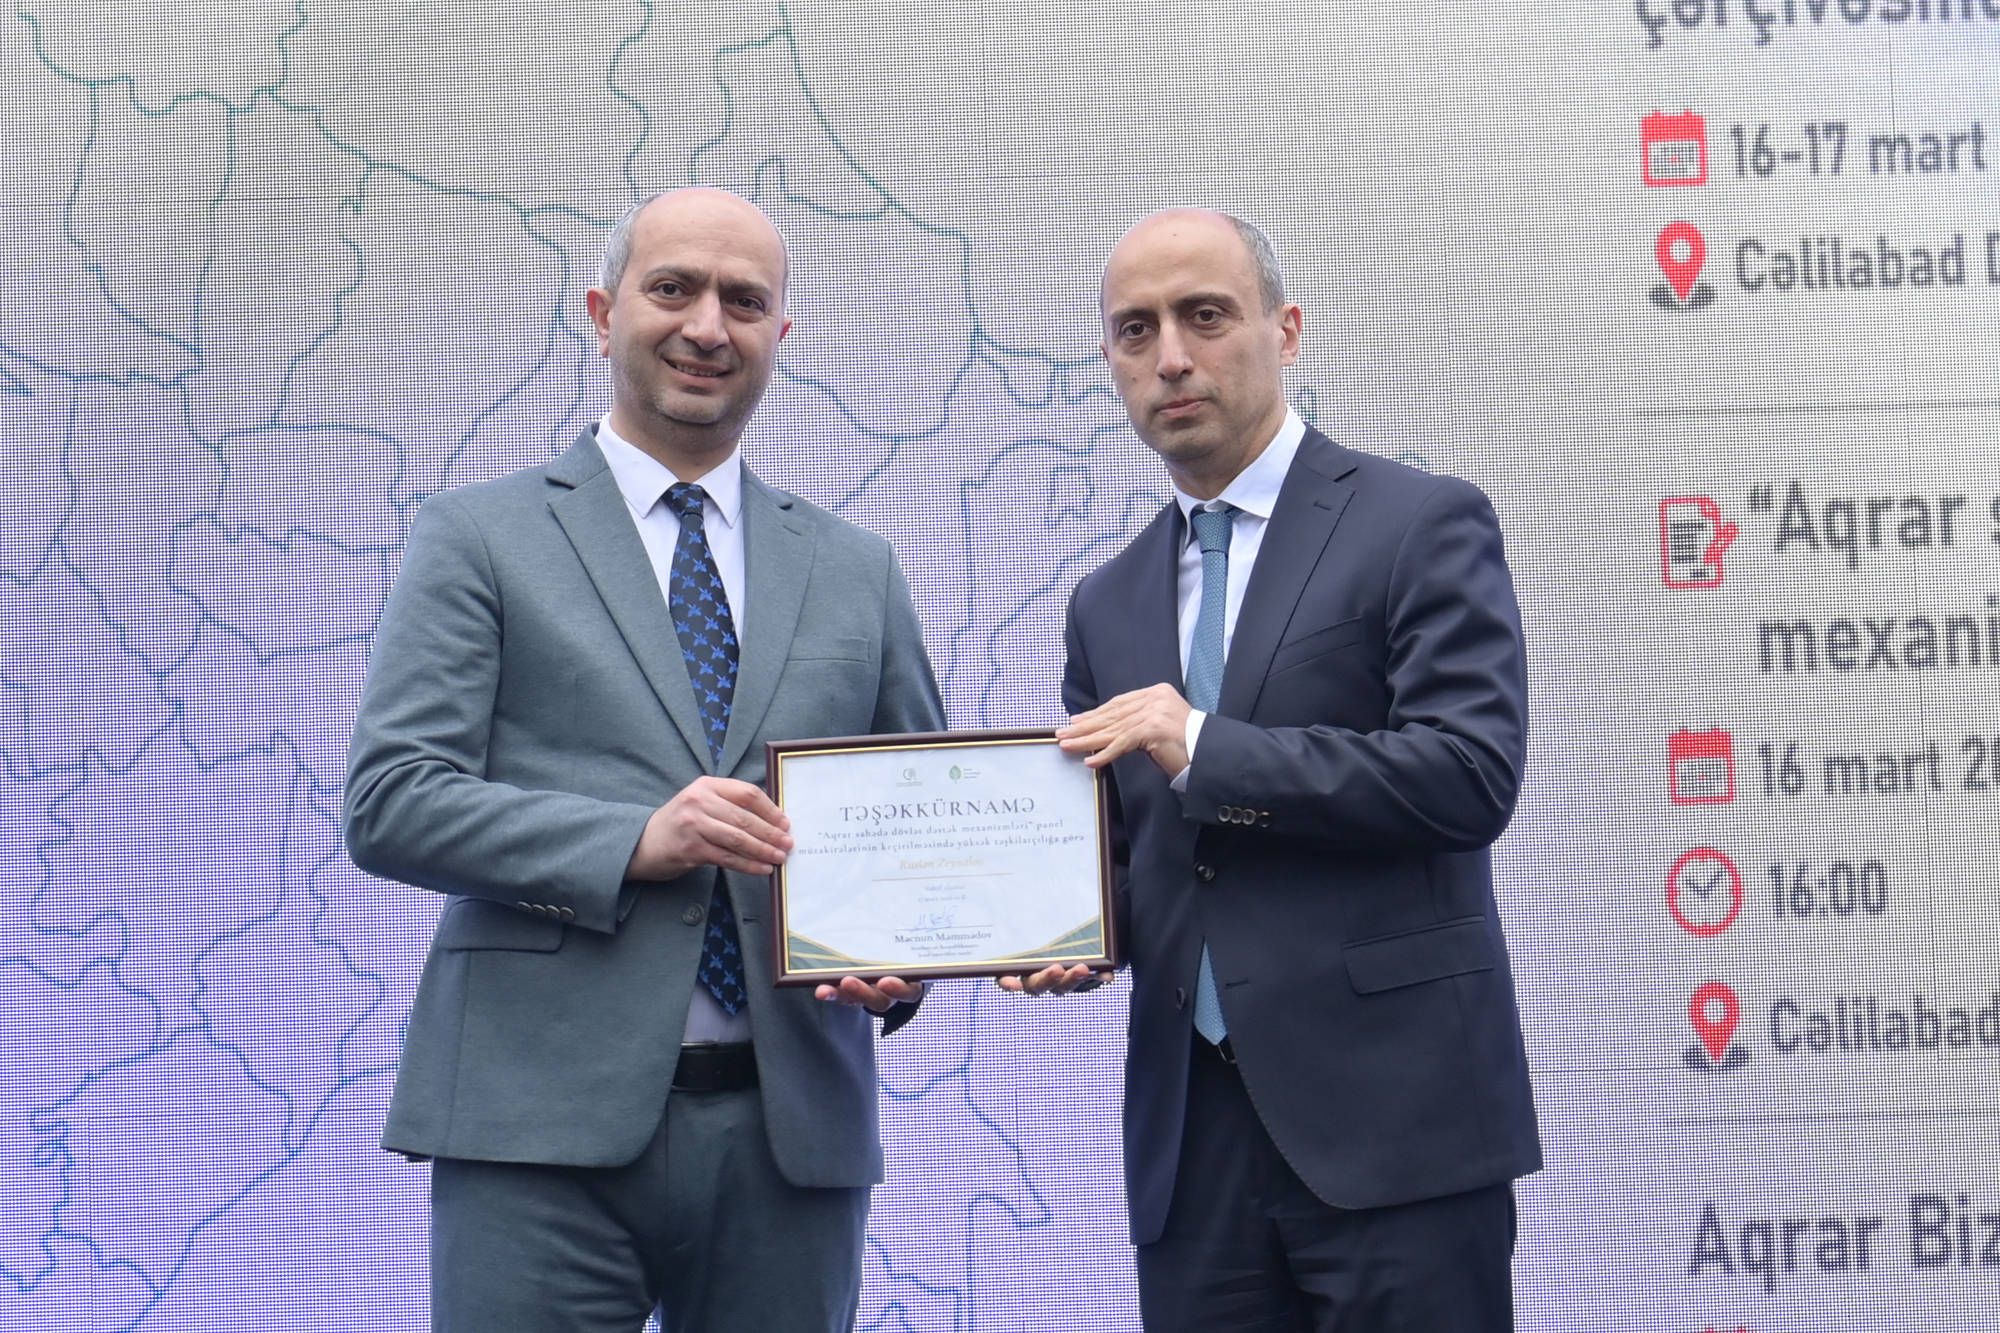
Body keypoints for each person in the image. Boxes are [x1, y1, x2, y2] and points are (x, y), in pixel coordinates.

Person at [343, 187, 944, 1332]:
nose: (707, 325)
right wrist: (633, 840)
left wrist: (905, 959)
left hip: (791, 1139)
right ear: (600, 311)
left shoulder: (856, 569)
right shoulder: (479, 536)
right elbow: (392, 801)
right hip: (532, 1128)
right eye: (672, 288)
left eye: (743, 301)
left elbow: (911, 826)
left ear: (779, 334)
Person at [1040, 208, 1543, 1329]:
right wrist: (1053, 931)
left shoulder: (1419, 521)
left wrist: (1208, 745)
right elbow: (1131, 856)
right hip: (1193, 1153)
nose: (1171, 356)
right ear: (1109, 359)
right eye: (1135, 329)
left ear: (1287, 329)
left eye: (1205, 315)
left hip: (1398, 1132)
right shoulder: (1104, 603)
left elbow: (1469, 773)